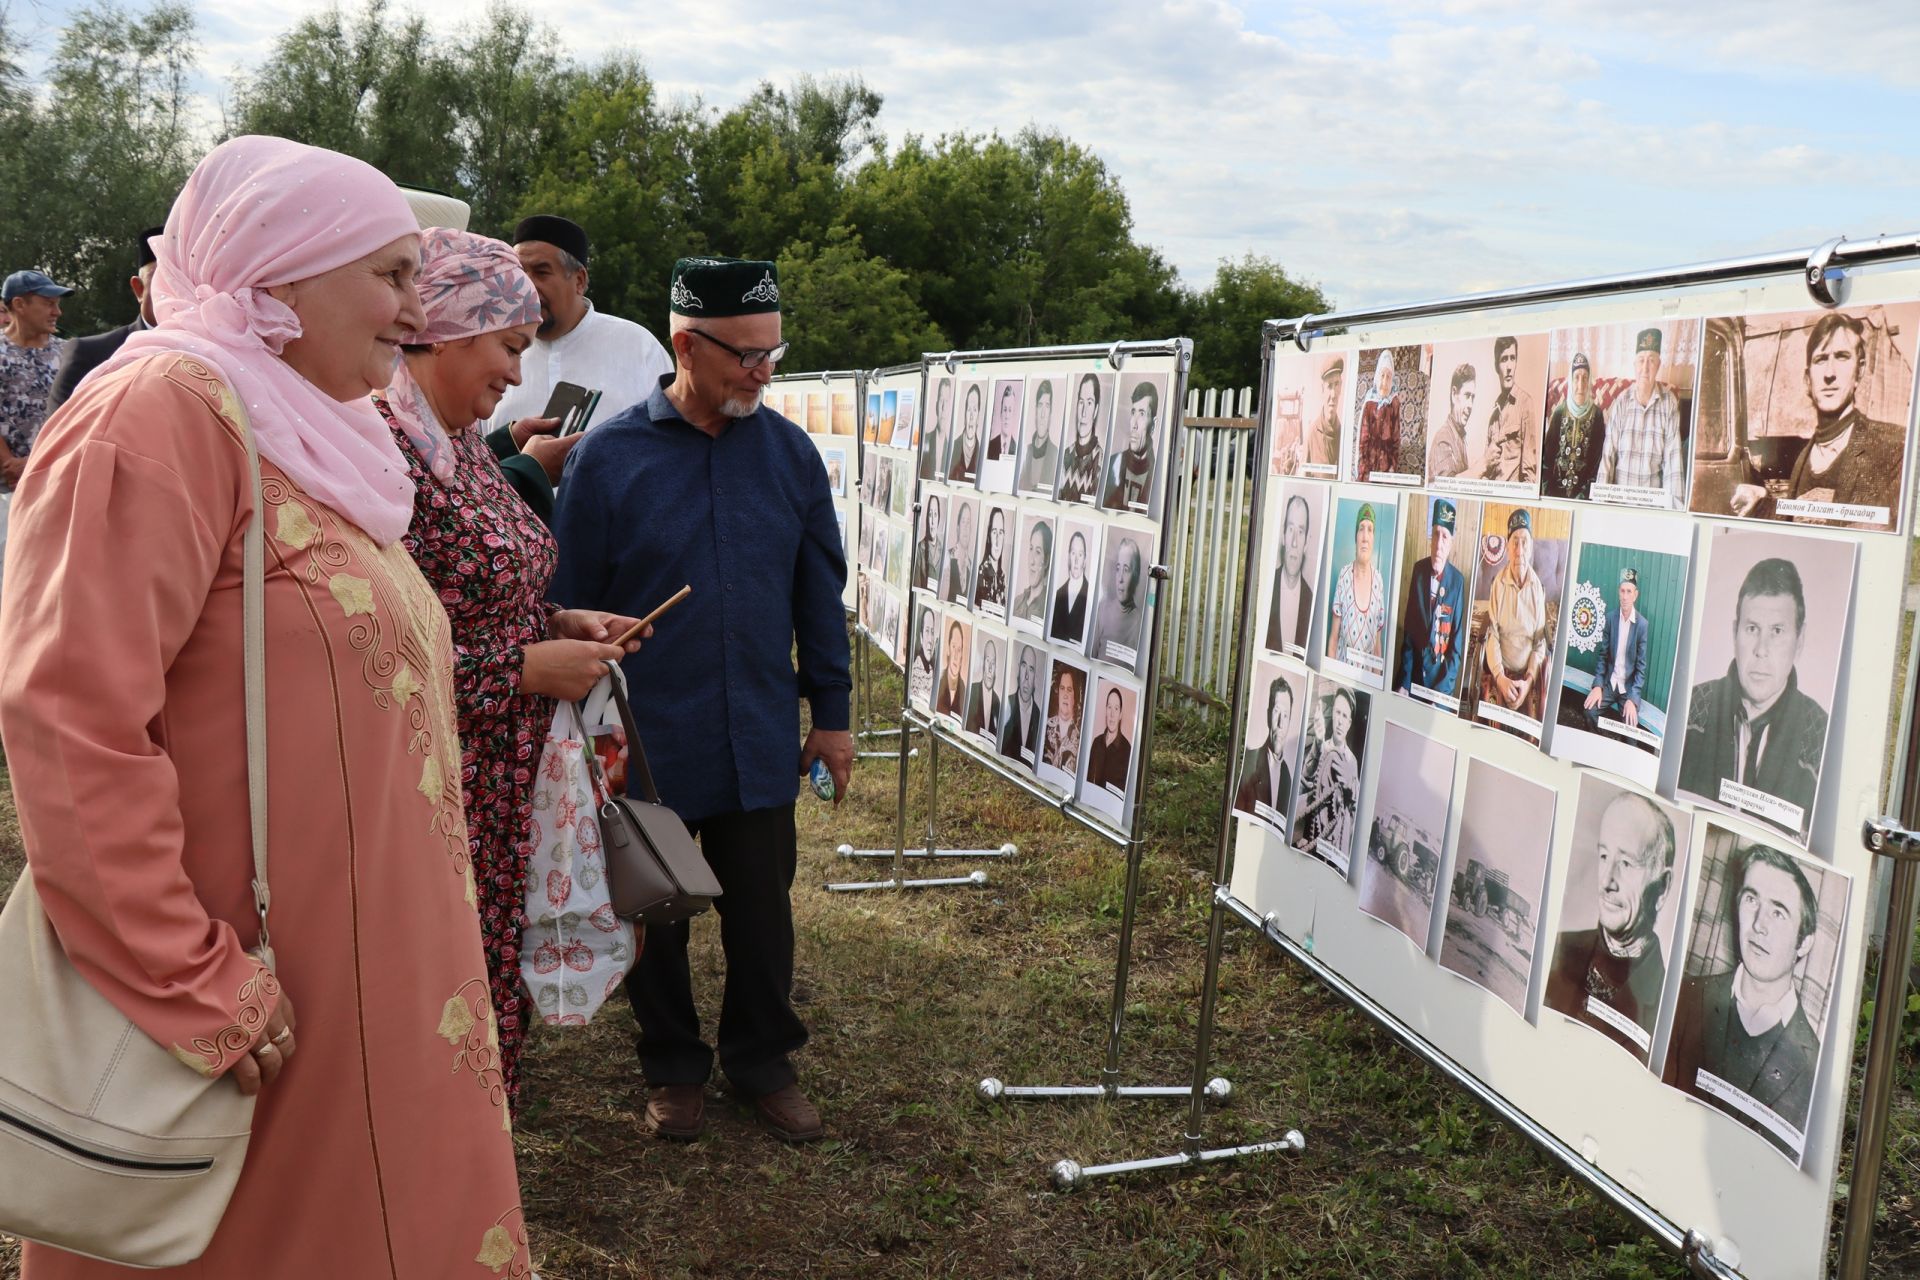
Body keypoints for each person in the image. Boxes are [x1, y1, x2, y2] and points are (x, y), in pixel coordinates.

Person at [0, 135, 531, 1275]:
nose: (415, 306)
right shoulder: (157, 412)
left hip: (370, 993)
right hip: (245, 1014)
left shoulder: (318, 436)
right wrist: (187, 977)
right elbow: (69, 716)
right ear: (285, 268)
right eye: (389, 274)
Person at [551, 255, 850, 1144]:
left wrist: (829, 714)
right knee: (657, 909)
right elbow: (567, 592)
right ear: (687, 343)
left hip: (757, 729)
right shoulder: (608, 459)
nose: (763, 373)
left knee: (763, 910)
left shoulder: (790, 456)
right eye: (746, 357)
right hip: (648, 735)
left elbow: (817, 594)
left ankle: (762, 1059)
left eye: (772, 354)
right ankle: (672, 1065)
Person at [372, 226, 647, 1107]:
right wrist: (527, 669)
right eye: (508, 348)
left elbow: (484, 590)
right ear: (445, 328)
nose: (518, 377)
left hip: (498, 789)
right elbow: (369, 664)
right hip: (434, 794)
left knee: (490, 1002)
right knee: (440, 1013)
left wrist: (560, 618)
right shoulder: (379, 458)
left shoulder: (458, 443)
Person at [485, 215, 674, 518]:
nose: (528, 285)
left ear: (580, 280)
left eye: (542, 272)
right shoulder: (490, 350)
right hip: (511, 545)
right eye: (520, 272)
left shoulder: (639, 347)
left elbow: (671, 452)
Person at [1664, 843, 1822, 1146]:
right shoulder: (1684, 996)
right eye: (1752, 900)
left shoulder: (1815, 1068)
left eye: (1778, 912)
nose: (1759, 925)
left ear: (1804, 943)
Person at [1678, 557, 1827, 836]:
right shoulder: (1688, 711)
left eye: (1777, 631)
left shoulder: (1822, 738)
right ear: (1735, 632)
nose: (1761, 649)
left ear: (1800, 639)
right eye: (1752, 629)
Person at [1729, 311, 1905, 527]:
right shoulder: (1805, 457)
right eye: (1821, 360)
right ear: (1807, 380)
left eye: (1842, 357)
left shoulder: (1894, 447)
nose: (1829, 373)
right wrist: (1761, 500)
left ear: (1859, 372)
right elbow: (1796, 518)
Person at [1545, 791, 1677, 1050]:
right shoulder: (1559, 947)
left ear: (1662, 888)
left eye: (1626, 863)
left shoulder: (1669, 1003)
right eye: (1604, 856)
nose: (1606, 882)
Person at [47, 227, 162, 412]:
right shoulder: (91, 354)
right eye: (162, 280)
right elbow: (57, 436)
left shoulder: (211, 354)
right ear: (138, 289)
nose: (175, 292)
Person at [0, 269, 73, 489]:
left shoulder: (69, 352)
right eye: (49, 303)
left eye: (58, 304)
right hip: (7, 487)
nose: (57, 312)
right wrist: (10, 464)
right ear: (20, 304)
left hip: (60, 478)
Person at [1597, 328, 1684, 506]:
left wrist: (1674, 513)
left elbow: (1673, 464)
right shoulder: (1621, 402)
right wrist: (1600, 504)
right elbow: (1608, 456)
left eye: (1651, 361)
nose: (1645, 368)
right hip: (1620, 501)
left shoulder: (1669, 404)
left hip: (1651, 504)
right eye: (1641, 360)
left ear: (1658, 365)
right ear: (1634, 364)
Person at [1482, 507, 1550, 721]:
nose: (1519, 550)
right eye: (1515, 542)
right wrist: (1500, 678)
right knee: (1493, 722)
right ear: (1508, 546)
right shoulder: (1498, 584)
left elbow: (1540, 642)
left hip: (1528, 672)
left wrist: (1529, 680)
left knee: (1531, 723)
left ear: (1530, 548)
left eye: (1524, 542)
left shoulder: (1537, 588)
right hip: (1501, 668)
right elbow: (1492, 633)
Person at [1395, 498, 1467, 698]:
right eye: (1436, 534)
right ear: (1430, 538)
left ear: (1451, 543)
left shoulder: (1458, 582)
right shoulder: (1419, 571)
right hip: (1413, 678)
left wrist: (1440, 696)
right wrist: (1404, 683)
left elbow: (1455, 650)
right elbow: (1409, 636)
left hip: (1439, 685)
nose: (1439, 544)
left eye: (1445, 536)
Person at [1584, 567, 1650, 733]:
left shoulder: (1642, 625)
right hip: (1609, 684)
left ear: (1635, 595)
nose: (1625, 596)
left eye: (1629, 591)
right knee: (1589, 712)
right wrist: (1598, 686)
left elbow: (1641, 668)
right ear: (1618, 592)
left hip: (1627, 689)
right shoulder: (1610, 619)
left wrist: (1633, 699)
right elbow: (1603, 657)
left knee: (1631, 731)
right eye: (1622, 591)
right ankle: (1601, 743)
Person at [1294, 687, 1359, 856]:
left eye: (1345, 716)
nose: (1340, 721)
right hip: (1313, 838)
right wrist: (1317, 741)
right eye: (1338, 713)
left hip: (1335, 847)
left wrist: (1351, 784)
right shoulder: (1321, 747)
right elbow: (1304, 782)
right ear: (1333, 714)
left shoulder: (1352, 761)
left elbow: (1355, 809)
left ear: (1350, 723)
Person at [1327, 502, 1386, 664]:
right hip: (1341, 675)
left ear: (1373, 538)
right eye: (1361, 528)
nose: (1365, 537)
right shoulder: (1344, 576)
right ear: (1355, 536)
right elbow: (1333, 639)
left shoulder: (1379, 582)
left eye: (1370, 529)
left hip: (1364, 681)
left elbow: (1377, 648)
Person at [1543, 352, 1606, 501]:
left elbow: (1596, 466)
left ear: (1589, 381)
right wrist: (1548, 495)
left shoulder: (1596, 415)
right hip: (1554, 493)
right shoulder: (1559, 412)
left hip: (1583, 496)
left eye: (1585, 378)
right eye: (1576, 377)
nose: (1580, 385)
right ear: (1570, 381)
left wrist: (1582, 498)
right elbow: (1547, 460)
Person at [1234, 674, 1295, 817]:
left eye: (1285, 715)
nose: (1280, 724)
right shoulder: (1250, 763)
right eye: (1276, 712)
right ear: (1268, 715)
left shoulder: (1287, 775)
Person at [1480, 336, 1537, 483]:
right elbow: (1486, 467)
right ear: (1496, 366)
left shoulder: (1525, 403)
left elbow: (1529, 475)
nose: (1509, 366)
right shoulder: (1494, 413)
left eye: (1513, 358)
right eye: (1504, 359)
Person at [1264, 493, 1315, 651]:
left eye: (1300, 532)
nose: (1294, 542)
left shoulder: (1312, 601)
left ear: (1306, 543)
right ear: (1283, 535)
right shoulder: (1267, 589)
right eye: (1290, 528)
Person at [1089, 534, 1146, 668]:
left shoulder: (1140, 622)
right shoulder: (1103, 609)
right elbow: (1091, 659)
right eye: (1118, 568)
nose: (1120, 578)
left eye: (1126, 570)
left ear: (1136, 576)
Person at [1102, 379, 1158, 511]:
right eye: (1133, 412)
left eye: (1142, 414)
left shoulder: (1157, 474)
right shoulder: (1112, 464)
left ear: (1153, 425)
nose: (1134, 424)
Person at [1055, 372, 1105, 503]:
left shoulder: (1101, 462)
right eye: (1081, 402)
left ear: (1095, 410)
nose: (1083, 412)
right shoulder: (1065, 455)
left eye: (1089, 403)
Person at [1357, 350, 1401, 480]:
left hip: (1385, 464)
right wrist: (1363, 466)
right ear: (1377, 377)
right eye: (1382, 375)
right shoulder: (1370, 402)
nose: (1384, 381)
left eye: (1388, 377)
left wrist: (1393, 465)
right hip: (1369, 462)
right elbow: (1363, 439)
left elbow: (1396, 440)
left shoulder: (1394, 403)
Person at [1427, 363, 1475, 478]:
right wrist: (1484, 465)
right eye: (1467, 396)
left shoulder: (1459, 437)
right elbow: (1448, 486)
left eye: (1473, 398)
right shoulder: (1443, 441)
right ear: (1454, 394)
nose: (1470, 405)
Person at [999, 645, 1043, 763]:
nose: (1027, 676)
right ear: (1018, 669)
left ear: (1035, 678)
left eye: (1031, 669)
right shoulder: (1005, 704)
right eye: (1024, 666)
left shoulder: (1040, 717)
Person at [1085, 686, 1133, 792]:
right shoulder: (1096, 743)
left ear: (1120, 714)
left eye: (1116, 708)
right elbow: (1087, 780)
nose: (1112, 714)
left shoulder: (1127, 750)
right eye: (1109, 707)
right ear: (1106, 710)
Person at [1050, 527, 1091, 646]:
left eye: (1080, 554)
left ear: (1085, 560)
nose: (1077, 560)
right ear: (1068, 556)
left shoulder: (1091, 595)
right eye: (1073, 553)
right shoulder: (1058, 594)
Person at [1019, 377, 1058, 493]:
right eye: (1040, 405)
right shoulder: (1026, 452)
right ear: (1035, 410)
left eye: (1047, 406)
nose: (1043, 414)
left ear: (1051, 413)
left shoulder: (1055, 455)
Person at [1012, 519, 1052, 626]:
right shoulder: (1017, 602)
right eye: (1031, 548)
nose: (1032, 561)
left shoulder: (1048, 608)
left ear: (1047, 561)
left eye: (1038, 552)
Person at [1042, 667, 1082, 773]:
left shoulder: (1080, 737)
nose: (1065, 695)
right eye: (1062, 688)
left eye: (1069, 690)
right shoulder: (1045, 726)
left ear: (1075, 697)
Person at [1306, 357, 1343, 469]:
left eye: (1337, 384)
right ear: (1322, 389)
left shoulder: (1343, 433)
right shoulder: (1312, 433)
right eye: (1329, 386)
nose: (1333, 394)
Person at [964, 636, 1003, 738]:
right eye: (987, 661)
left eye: (993, 663)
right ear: (983, 664)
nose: (990, 668)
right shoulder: (972, 690)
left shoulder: (997, 700)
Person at [973, 506, 1008, 613]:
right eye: (994, 532)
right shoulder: (979, 574)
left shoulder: (1003, 577)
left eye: (1001, 532)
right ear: (988, 536)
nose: (997, 541)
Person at [943, 501, 977, 605]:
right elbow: (941, 601)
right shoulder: (948, 557)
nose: (966, 527)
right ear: (957, 528)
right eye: (963, 521)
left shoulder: (971, 566)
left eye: (968, 522)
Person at [947, 381, 983, 482]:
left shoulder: (983, 452)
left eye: (975, 410)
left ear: (978, 416)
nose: (971, 416)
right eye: (968, 409)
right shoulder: (953, 446)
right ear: (964, 414)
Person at [921, 376, 952, 481]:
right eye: (941, 400)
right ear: (936, 406)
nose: (943, 407)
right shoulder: (925, 440)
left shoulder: (952, 449)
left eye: (947, 401)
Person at [936, 620, 968, 718]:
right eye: (953, 646)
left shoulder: (964, 689)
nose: (956, 655)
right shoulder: (939, 682)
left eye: (959, 649)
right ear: (948, 648)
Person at [908, 605, 939, 706]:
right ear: (921, 637)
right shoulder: (917, 670)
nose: (930, 640)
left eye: (932, 632)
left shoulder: (930, 668)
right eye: (927, 631)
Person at [914, 492, 944, 591]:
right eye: (930, 514)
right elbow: (917, 587)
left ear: (939, 518)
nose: (932, 521)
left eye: (935, 514)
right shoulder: (920, 548)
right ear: (927, 517)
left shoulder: (943, 550)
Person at [987, 380, 1019, 460]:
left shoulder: (1016, 448)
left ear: (1014, 415)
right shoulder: (990, 446)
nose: (1007, 416)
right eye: (1004, 410)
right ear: (1000, 413)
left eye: (1010, 410)